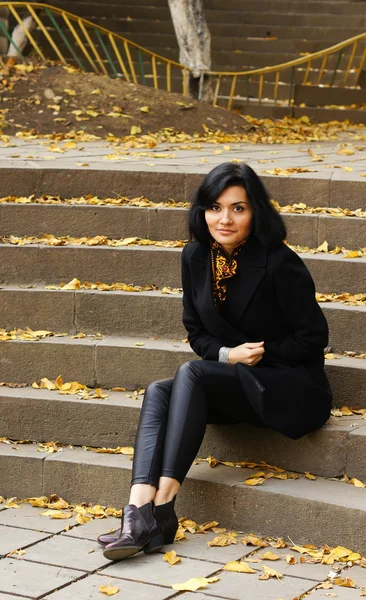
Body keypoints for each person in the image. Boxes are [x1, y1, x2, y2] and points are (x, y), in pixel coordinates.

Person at [98, 162, 333, 561]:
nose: (224, 219)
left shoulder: (279, 262)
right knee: (159, 390)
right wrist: (228, 356)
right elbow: (196, 330)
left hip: (289, 386)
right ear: (202, 210)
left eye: (238, 208)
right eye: (215, 207)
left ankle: (162, 505)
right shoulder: (195, 256)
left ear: (255, 212)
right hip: (232, 379)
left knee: (193, 373)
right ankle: (138, 510)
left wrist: (259, 353)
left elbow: (314, 338)